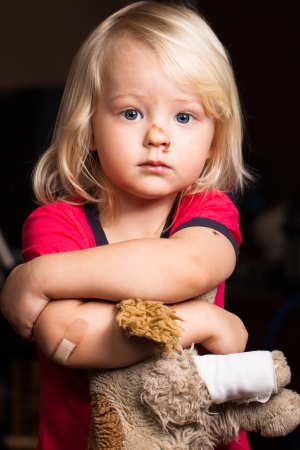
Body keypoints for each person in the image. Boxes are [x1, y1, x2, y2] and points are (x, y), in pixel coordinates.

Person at [0, 2, 253, 449]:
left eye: (184, 116)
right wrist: (200, 322)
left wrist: (40, 277)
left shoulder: (207, 212)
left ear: (214, 139)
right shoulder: (57, 222)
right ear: (89, 130)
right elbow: (67, 340)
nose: (158, 135)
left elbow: (188, 267)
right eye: (131, 113)